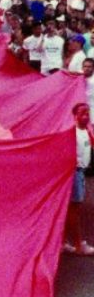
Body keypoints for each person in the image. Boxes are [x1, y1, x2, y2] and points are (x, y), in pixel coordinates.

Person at [64, 102, 94, 255]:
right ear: (75, 116)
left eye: (88, 113)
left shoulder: (87, 131)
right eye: (82, 114)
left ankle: (63, 242)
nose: (86, 116)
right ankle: (78, 245)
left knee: (72, 210)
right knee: (73, 210)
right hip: (74, 173)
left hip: (81, 172)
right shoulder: (72, 133)